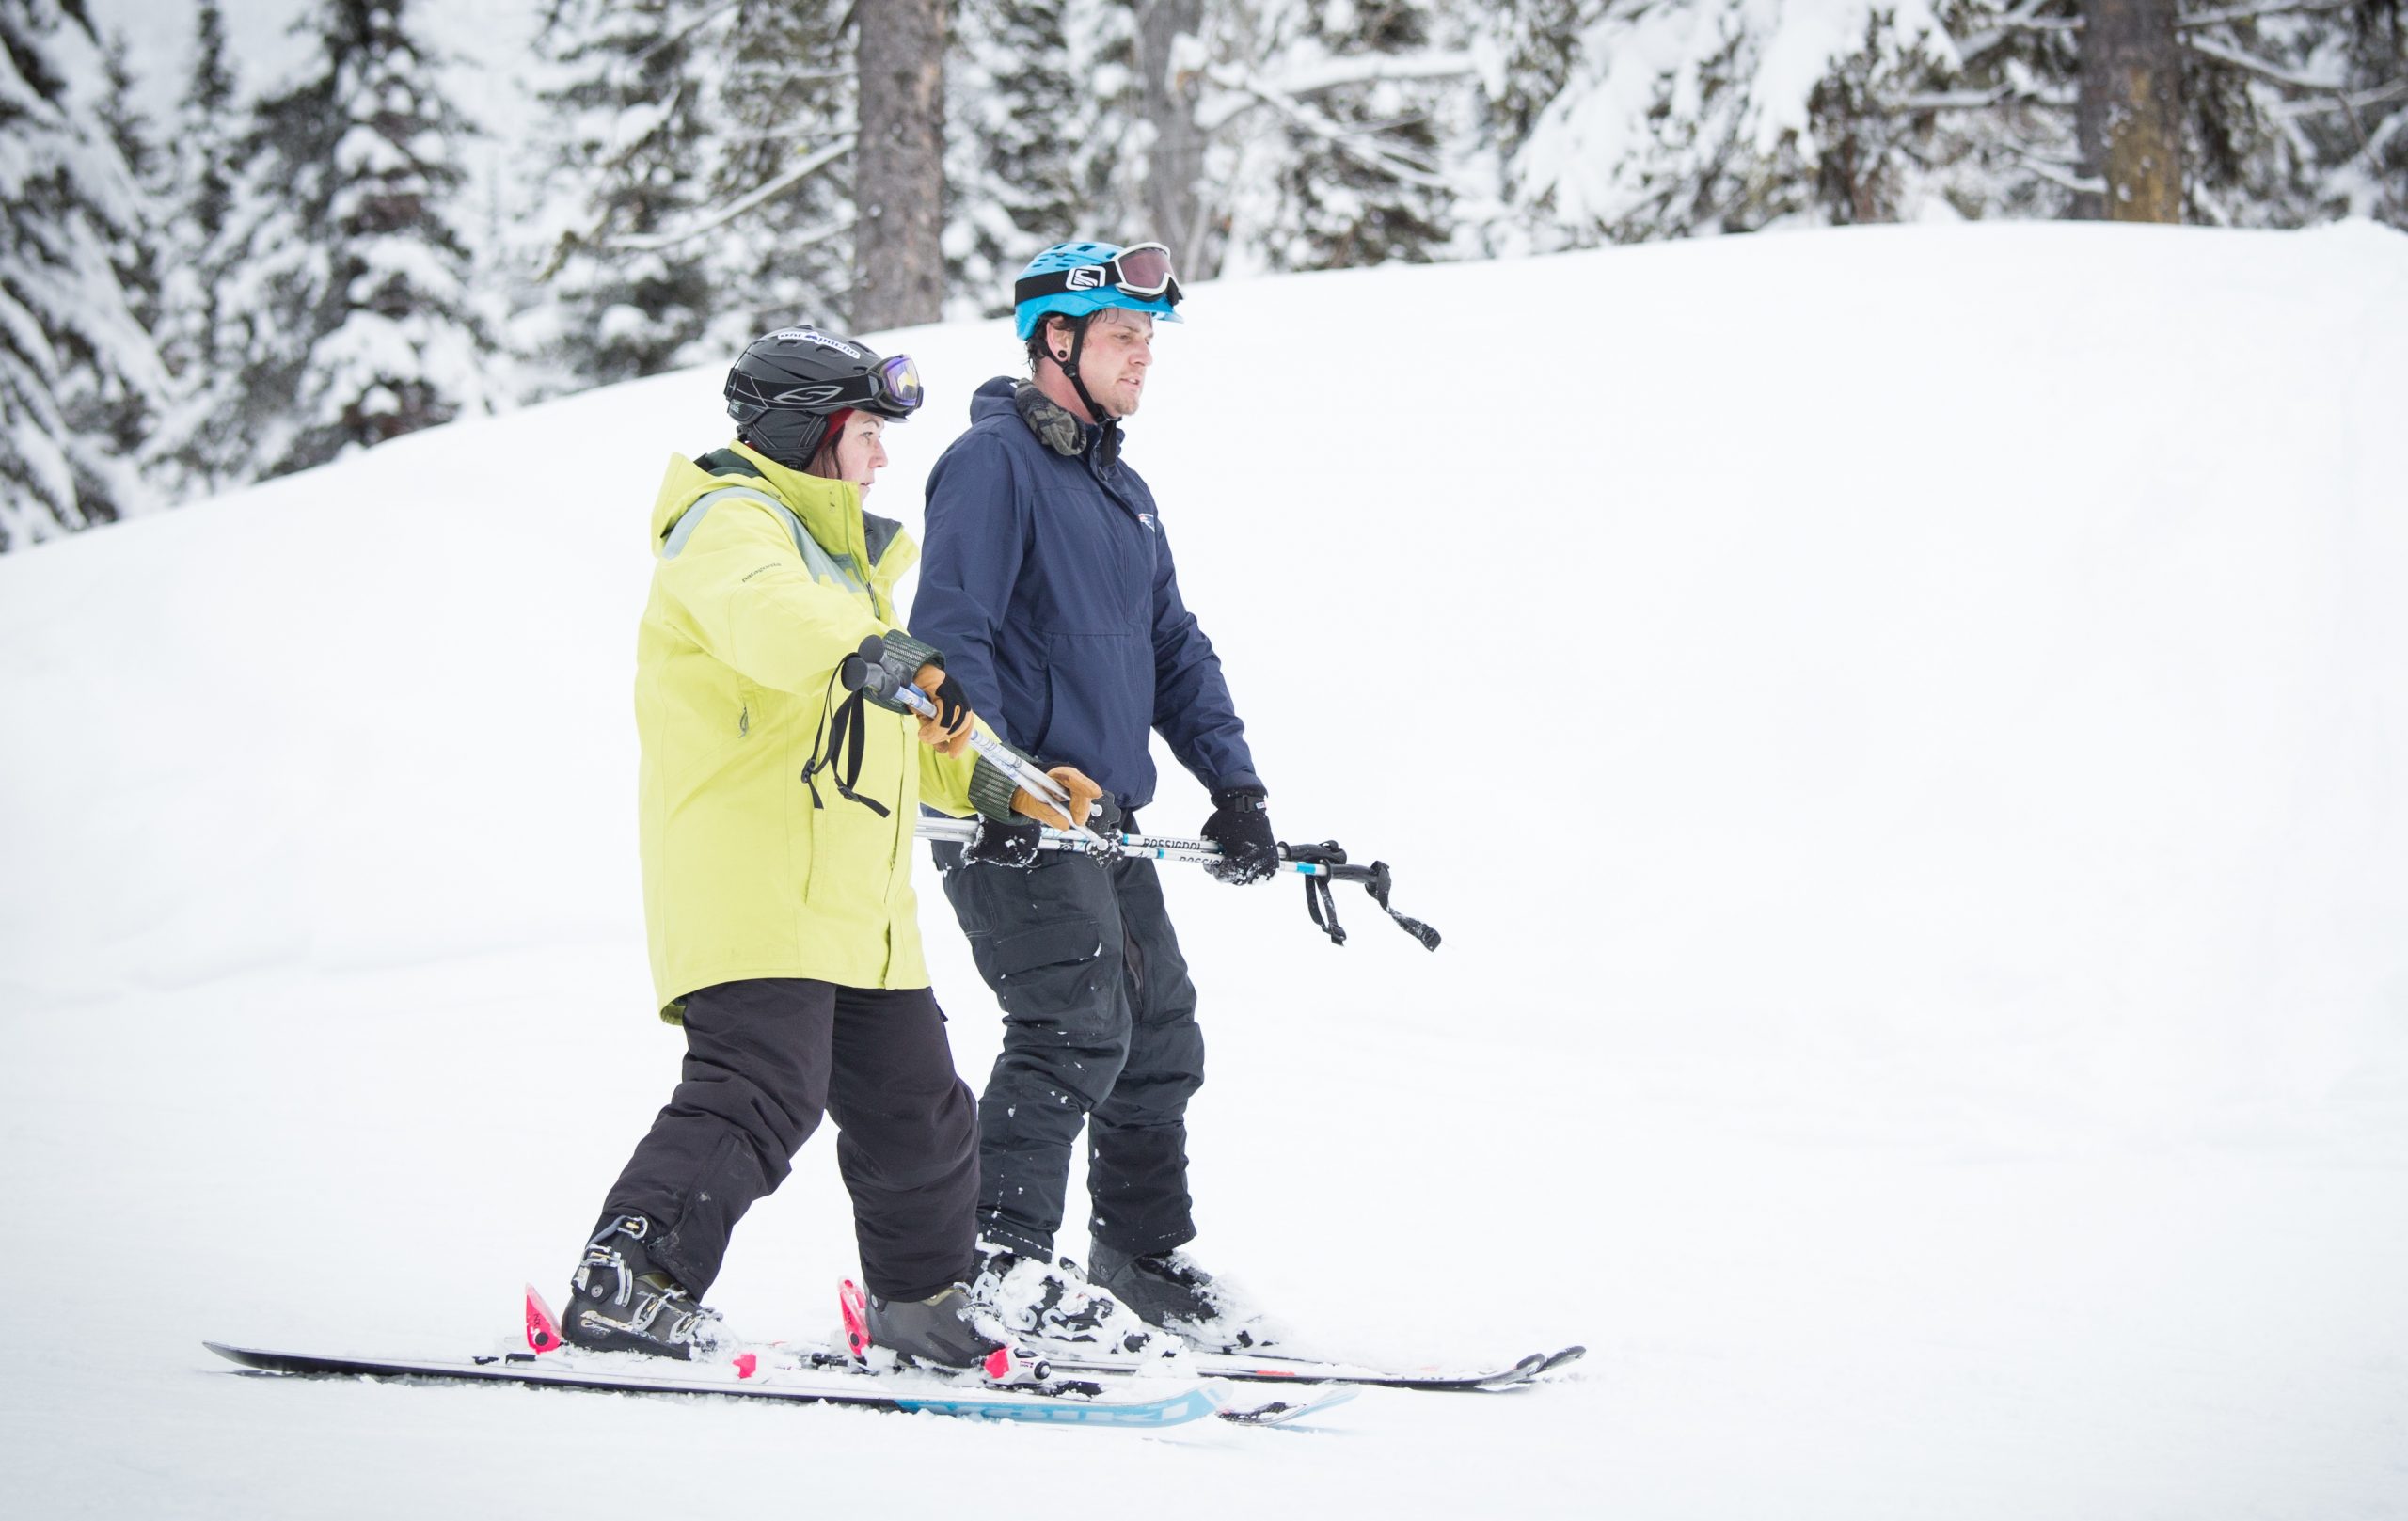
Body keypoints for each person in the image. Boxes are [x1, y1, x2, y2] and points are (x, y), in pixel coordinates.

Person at [562, 326, 1102, 1369]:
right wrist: (875, 649)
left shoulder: (843, 567)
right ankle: (632, 1280)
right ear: (808, 430)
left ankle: (922, 1305)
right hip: (755, 882)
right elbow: (771, 624)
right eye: (867, 432)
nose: (883, 456)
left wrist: (1015, 787)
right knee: (760, 1088)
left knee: (919, 1111)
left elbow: (917, 722)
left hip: (857, 904)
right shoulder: (727, 527)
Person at [910, 241, 1282, 1350]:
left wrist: (1236, 783)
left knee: (1159, 1032)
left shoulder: (1120, 488)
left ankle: (1139, 1258)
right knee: (1070, 1025)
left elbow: (1171, 644)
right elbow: (950, 633)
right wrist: (996, 787)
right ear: (1054, 341)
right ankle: (1000, 1264)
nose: (1143, 358)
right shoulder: (991, 464)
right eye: (1125, 336)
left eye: (1148, 339)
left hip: (1101, 818)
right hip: (1015, 814)